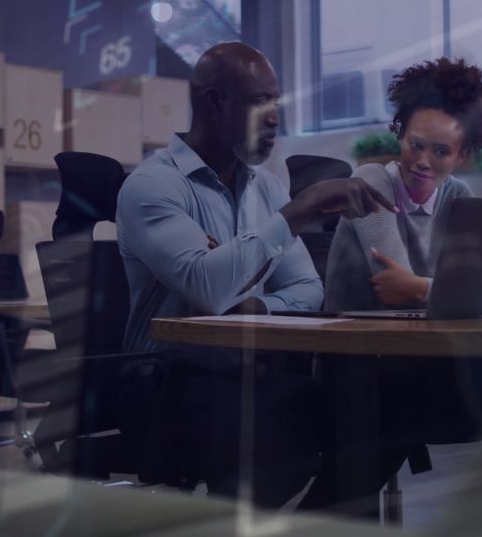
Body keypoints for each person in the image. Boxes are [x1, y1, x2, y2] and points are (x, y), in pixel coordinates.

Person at [116, 42, 396, 508]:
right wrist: (298, 209)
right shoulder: (152, 186)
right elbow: (209, 287)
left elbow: (309, 288)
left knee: (376, 416)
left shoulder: (264, 189)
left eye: (276, 104)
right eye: (259, 102)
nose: (273, 118)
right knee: (282, 436)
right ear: (214, 102)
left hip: (249, 373)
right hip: (166, 381)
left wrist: (259, 304)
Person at [303, 57, 482, 513]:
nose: (423, 161)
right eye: (416, 144)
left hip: (423, 365)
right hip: (357, 369)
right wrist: (443, 289)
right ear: (400, 134)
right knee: (364, 462)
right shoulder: (369, 181)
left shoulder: (459, 198)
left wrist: (425, 287)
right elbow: (391, 282)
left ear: (462, 155)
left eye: (441, 151)